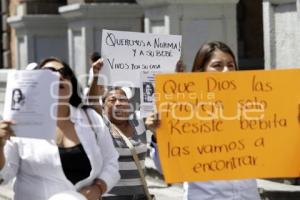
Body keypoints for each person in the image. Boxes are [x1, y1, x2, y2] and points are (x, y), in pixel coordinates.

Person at [0, 57, 120, 200]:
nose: (59, 76)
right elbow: (4, 175)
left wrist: (99, 187)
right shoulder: (19, 123)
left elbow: (111, 162)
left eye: (65, 72)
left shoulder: (91, 118)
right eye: (49, 72)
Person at [168, 41, 260, 200]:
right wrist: (159, 135)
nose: (226, 71)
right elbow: (167, 166)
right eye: (218, 65)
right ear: (201, 71)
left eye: (231, 65)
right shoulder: (184, 110)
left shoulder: (253, 106)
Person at [87, 58, 160, 200]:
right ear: (103, 106)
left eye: (123, 100)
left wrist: (173, 74)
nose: (119, 103)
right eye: (112, 100)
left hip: (140, 196)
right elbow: (92, 100)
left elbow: (157, 104)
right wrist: (96, 75)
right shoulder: (101, 125)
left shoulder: (138, 121)